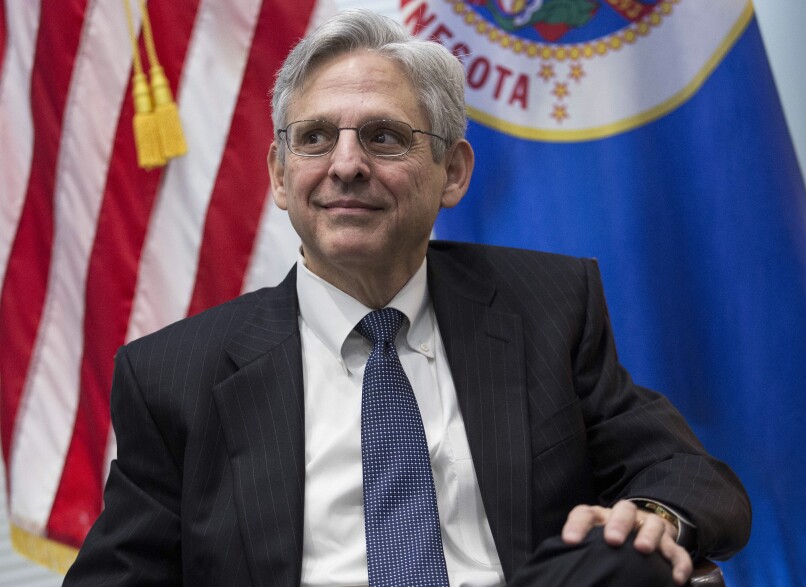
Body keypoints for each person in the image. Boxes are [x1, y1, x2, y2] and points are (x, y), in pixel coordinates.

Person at [64, 9, 750, 587]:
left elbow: (687, 473)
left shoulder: (545, 307)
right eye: (315, 138)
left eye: (384, 137)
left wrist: (653, 515)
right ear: (279, 176)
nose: (346, 164)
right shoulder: (176, 375)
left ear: (451, 171)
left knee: (623, 560)